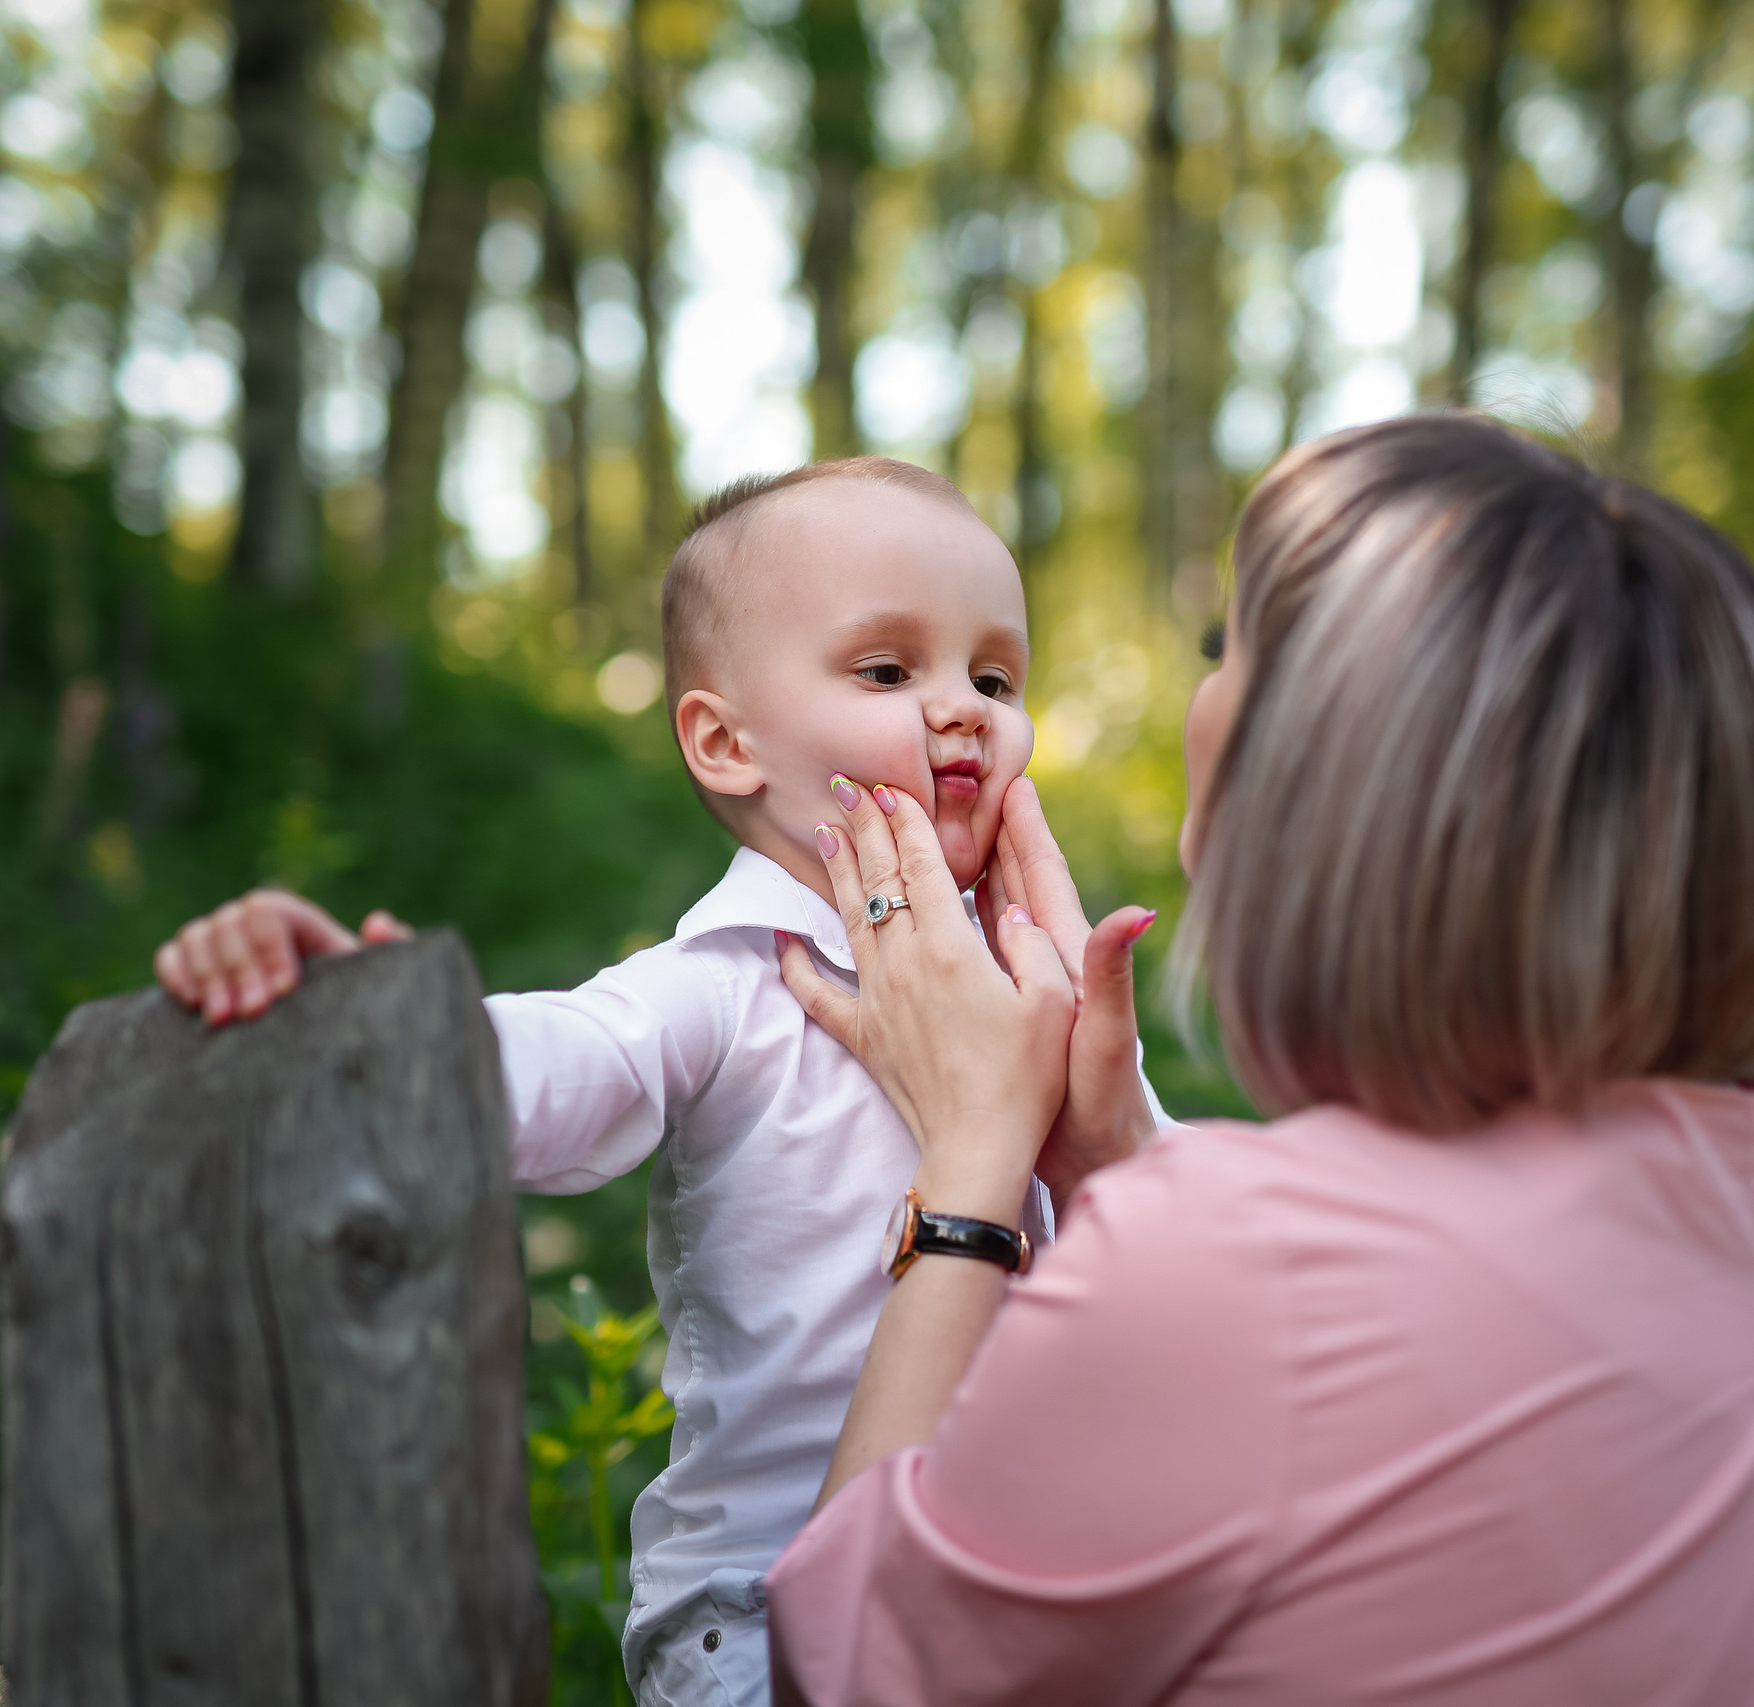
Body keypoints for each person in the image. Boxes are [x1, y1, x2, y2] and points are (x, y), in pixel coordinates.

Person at [764, 416, 1754, 1706]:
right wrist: (1108, 1162)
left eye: (1226, 651)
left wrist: (974, 1161)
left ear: (1321, 767)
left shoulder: (1239, 1265)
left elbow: (844, 1669)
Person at [149, 457, 1166, 1707]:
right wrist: (371, 1028)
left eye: (995, 677)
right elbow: (571, 1065)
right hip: (767, 1610)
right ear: (726, 741)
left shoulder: (1040, 977)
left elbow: (1177, 1234)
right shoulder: (733, 979)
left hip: (1027, 1594)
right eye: (888, 671)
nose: (963, 710)